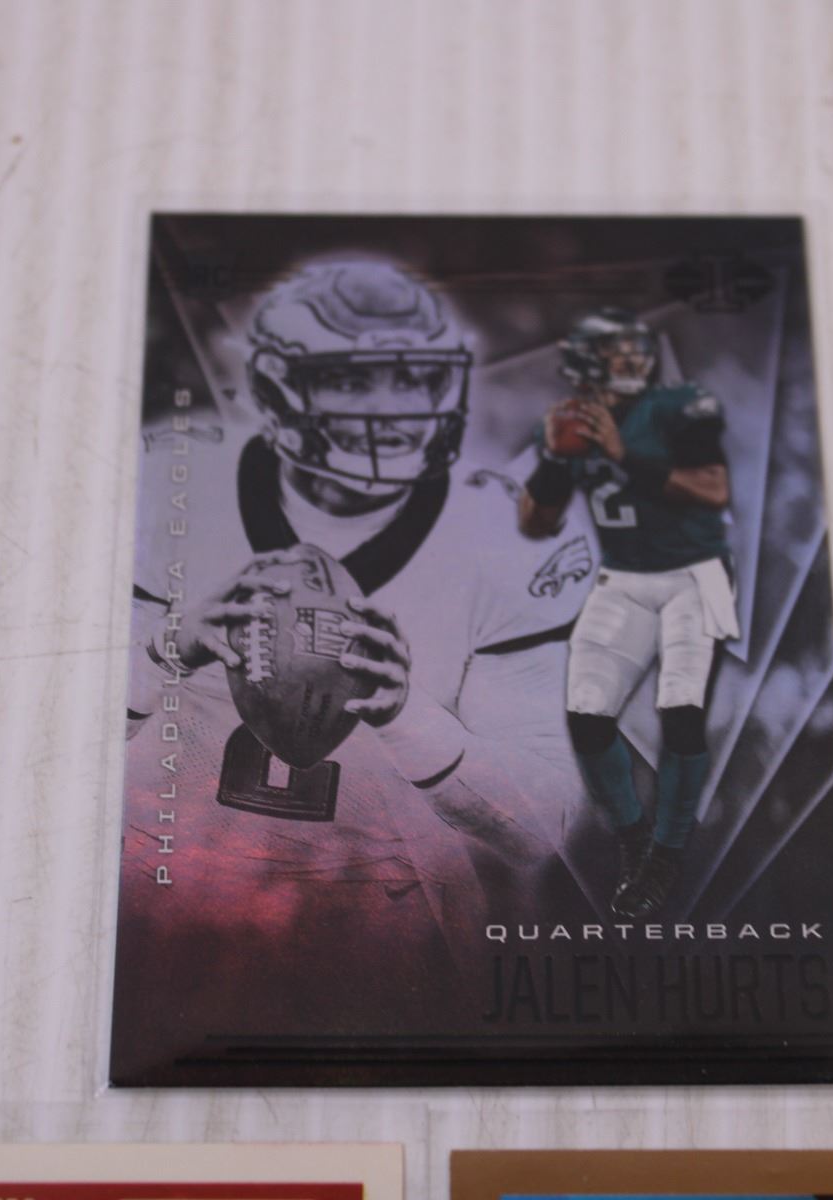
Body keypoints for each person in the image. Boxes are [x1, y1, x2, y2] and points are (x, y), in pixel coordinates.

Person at [117, 261, 596, 1055]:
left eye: (414, 378)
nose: (394, 408)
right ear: (276, 387)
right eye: (352, 380)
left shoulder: (503, 535)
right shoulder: (169, 481)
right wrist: (164, 650)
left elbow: (538, 826)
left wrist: (407, 715)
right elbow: (41, 757)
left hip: (391, 945)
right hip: (159, 924)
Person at [516, 307, 738, 919]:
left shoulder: (678, 406)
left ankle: (666, 855)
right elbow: (536, 522)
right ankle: (634, 838)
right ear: (587, 361)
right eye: (620, 350)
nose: (636, 359)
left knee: (681, 711)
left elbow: (713, 488)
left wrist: (623, 453)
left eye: (639, 348)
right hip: (623, 580)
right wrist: (555, 461)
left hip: (693, 577)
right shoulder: (568, 421)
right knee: (587, 717)